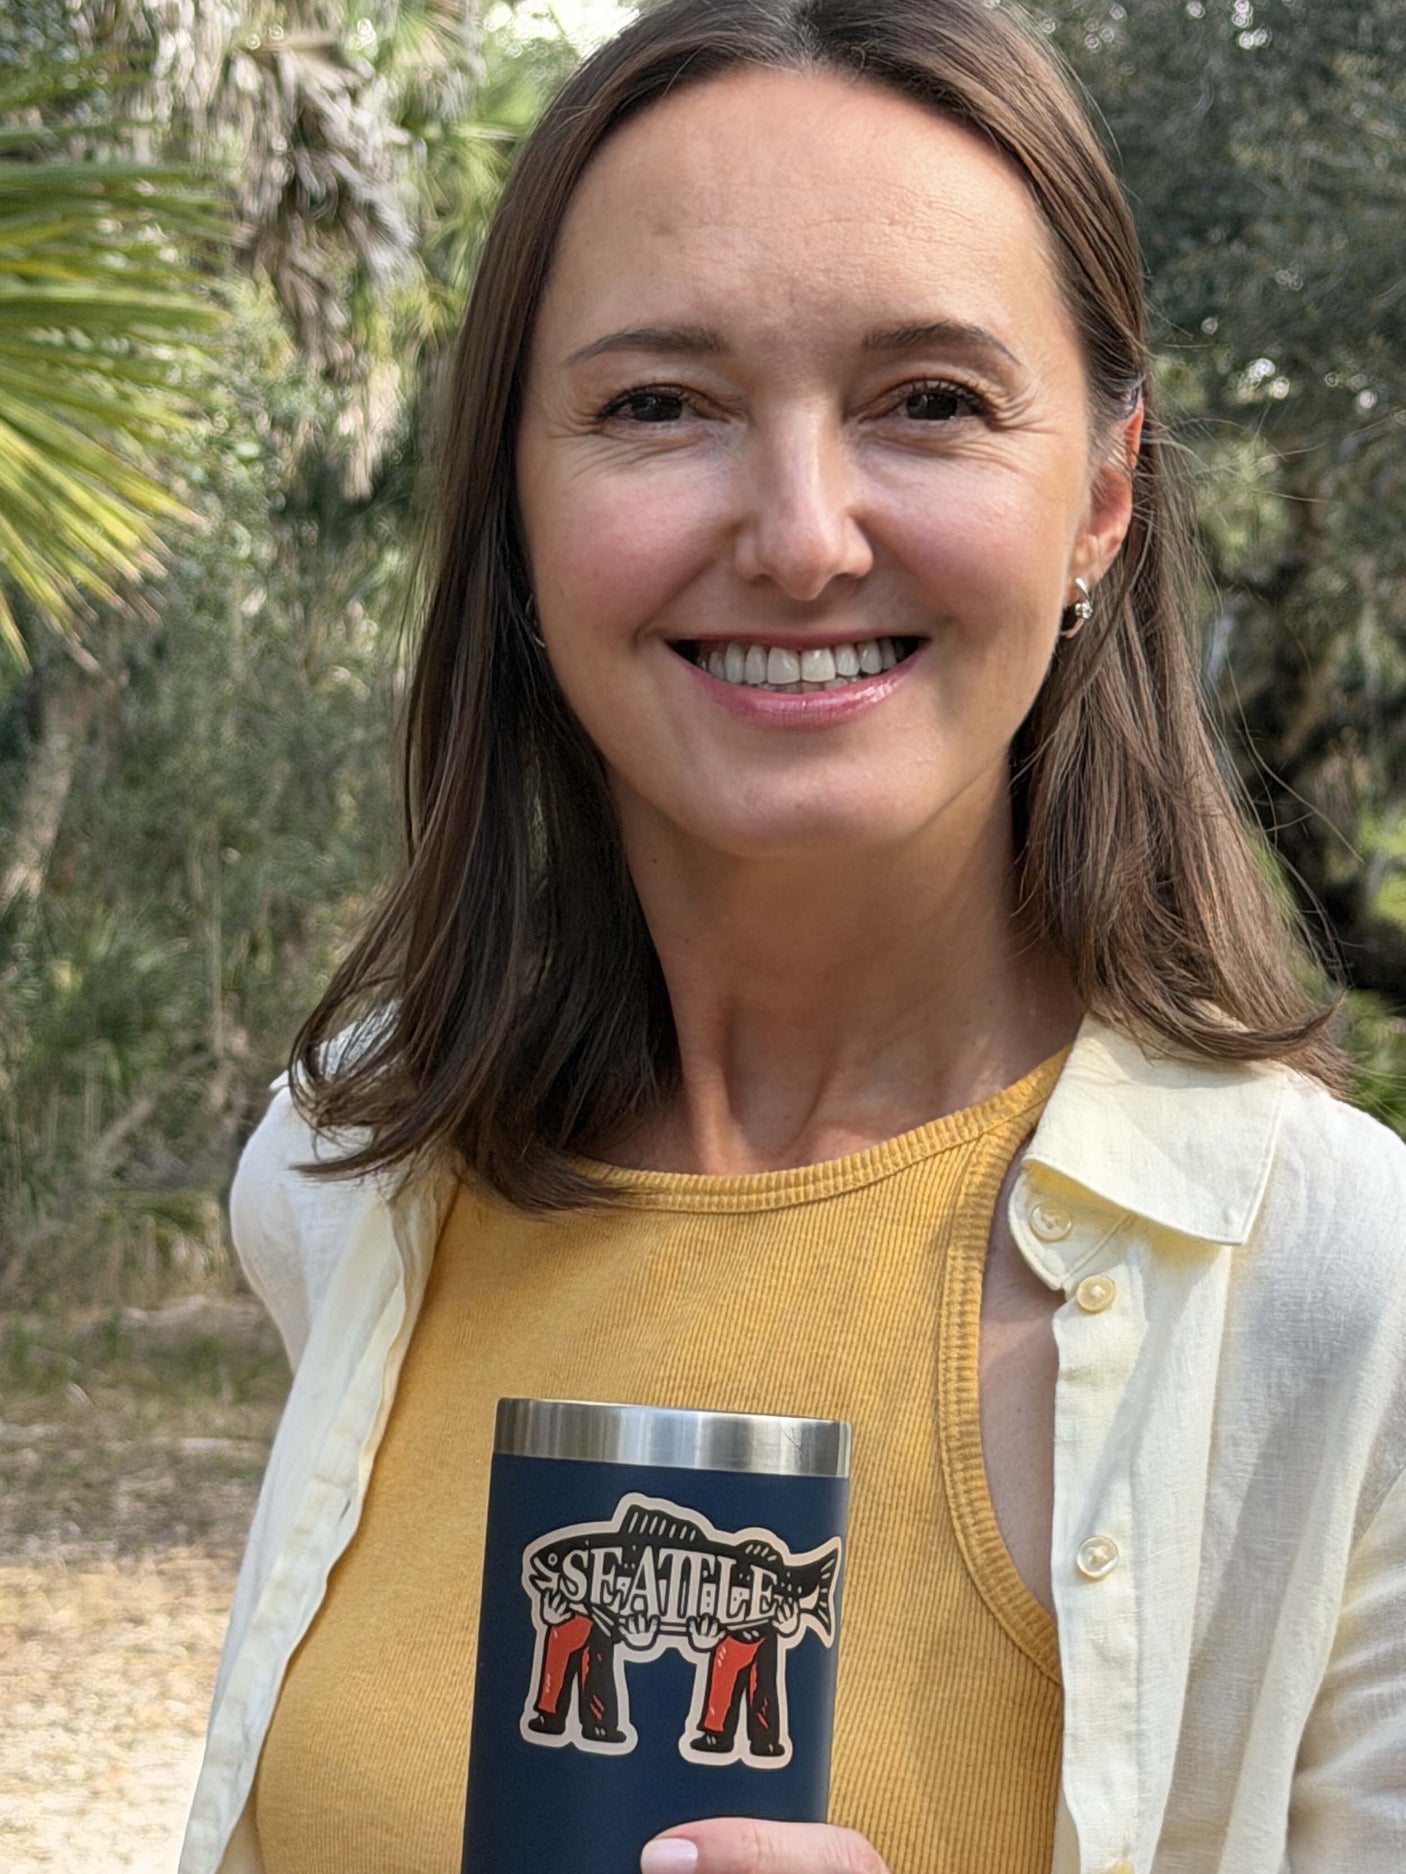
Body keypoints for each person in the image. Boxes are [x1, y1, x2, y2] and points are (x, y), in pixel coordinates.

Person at [179, 1, 1406, 1871]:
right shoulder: (347, 1168)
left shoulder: (1344, 1302)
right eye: (657, 403)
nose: (803, 532)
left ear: (1102, 490)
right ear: (514, 499)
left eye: (928, 399)